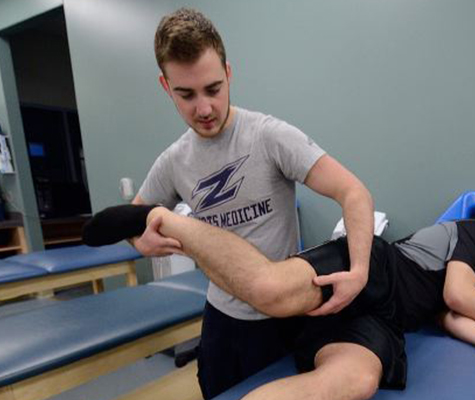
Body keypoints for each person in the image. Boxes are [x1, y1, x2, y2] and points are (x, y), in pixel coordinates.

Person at [132, 7, 375, 398]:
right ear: (165, 86)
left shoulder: (269, 137)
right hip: (222, 323)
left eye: (213, 89)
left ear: (229, 74)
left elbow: (354, 192)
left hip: (283, 317)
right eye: (186, 95)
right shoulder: (174, 162)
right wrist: (138, 241)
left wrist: (360, 269)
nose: (205, 108)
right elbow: (134, 215)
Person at [84, 205, 475, 400]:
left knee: (356, 381)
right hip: (373, 266)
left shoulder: (468, 291)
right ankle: (168, 219)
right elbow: (458, 293)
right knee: (269, 289)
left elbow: (452, 313)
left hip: (381, 319)